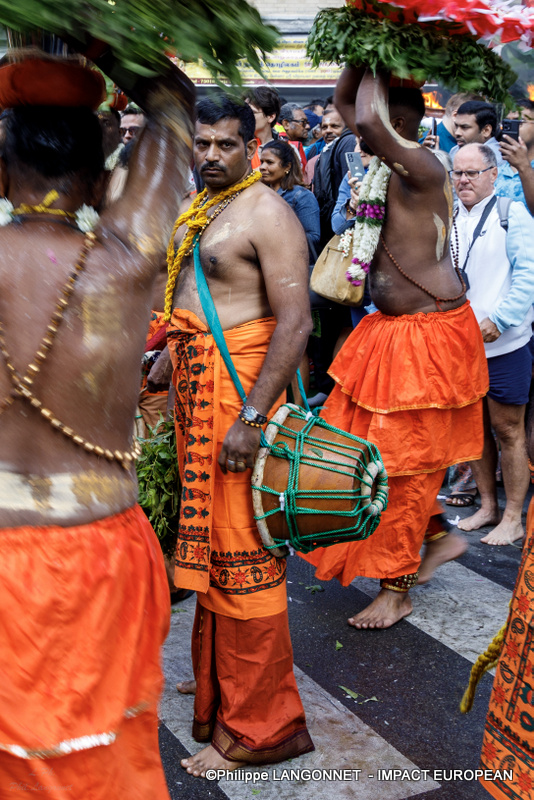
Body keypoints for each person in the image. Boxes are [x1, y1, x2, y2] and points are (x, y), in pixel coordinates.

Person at [0, 47, 195, 796]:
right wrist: (97, 28)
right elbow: (172, 100)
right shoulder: (126, 257)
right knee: (96, 766)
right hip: (99, 554)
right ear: (105, 166)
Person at [302, 67, 488, 629]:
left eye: (371, 127)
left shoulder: (423, 165)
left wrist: (377, 60)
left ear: (398, 122)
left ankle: (397, 588)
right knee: (375, 456)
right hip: (392, 331)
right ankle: (435, 537)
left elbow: (363, 118)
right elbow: (348, 105)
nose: (356, 136)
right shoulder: (387, 166)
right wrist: (364, 47)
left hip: (427, 336)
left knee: (400, 467)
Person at [164, 95, 314, 777]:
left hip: (237, 406)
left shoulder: (267, 213)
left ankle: (261, 729)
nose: (213, 156)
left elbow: (296, 322)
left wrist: (252, 420)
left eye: (227, 145)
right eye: (203, 144)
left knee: (247, 567)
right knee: (218, 560)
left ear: (253, 147)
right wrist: (161, 360)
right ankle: (222, 695)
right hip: (196, 399)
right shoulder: (201, 208)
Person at [451, 144, 534, 546]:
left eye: (472, 172)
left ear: (493, 174)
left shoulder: (512, 213)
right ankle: (487, 506)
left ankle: (513, 515)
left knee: (508, 430)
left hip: (505, 344)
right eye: (457, 173)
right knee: (473, 431)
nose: (463, 180)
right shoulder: (447, 217)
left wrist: (499, 320)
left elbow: (527, 278)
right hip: (459, 346)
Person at [259, 138, 320, 258]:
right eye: (262, 162)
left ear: (287, 167)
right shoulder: (259, 193)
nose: (262, 167)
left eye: (269, 162)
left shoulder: (302, 196)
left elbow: (313, 237)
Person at [495, 99, 534, 215]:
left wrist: (523, 166)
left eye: (518, 122)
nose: (512, 128)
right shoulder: (497, 168)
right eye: (507, 123)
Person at [450, 100, 503, 165]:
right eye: (456, 126)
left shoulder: (498, 158)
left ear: (486, 130)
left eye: (465, 127)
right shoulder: (455, 150)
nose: (457, 133)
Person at [244, 86, 281, 169]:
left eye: (252, 112)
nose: (245, 116)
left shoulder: (286, 149)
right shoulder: (237, 147)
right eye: (244, 111)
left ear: (271, 117)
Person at [278, 102, 309, 168]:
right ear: (286, 124)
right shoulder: (279, 147)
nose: (307, 126)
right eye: (303, 122)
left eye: (307, 122)